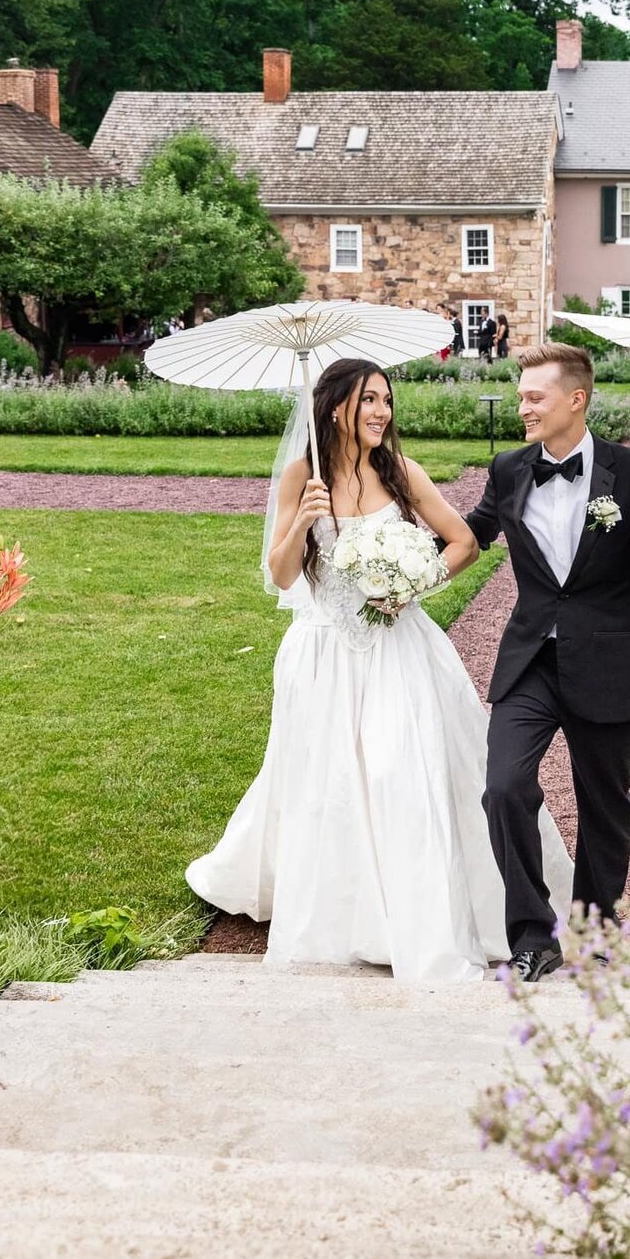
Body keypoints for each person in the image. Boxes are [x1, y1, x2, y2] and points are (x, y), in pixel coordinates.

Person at [186, 358, 573, 982]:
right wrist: (304, 522)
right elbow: (281, 575)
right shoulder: (299, 478)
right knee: (327, 779)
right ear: (337, 406)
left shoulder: (400, 472)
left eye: (386, 400)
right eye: (369, 400)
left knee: (401, 767)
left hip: (399, 647)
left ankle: (428, 908)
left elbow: (464, 542)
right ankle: (344, 910)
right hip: (322, 652)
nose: (381, 412)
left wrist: (414, 582)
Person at [463, 343, 630, 982]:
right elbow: (473, 534)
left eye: (534, 397)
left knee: (603, 803)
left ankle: (596, 928)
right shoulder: (509, 470)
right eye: (520, 396)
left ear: (576, 399)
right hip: (531, 658)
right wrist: (400, 561)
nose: (522, 408)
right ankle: (532, 935)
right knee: (504, 787)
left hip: (611, 661)